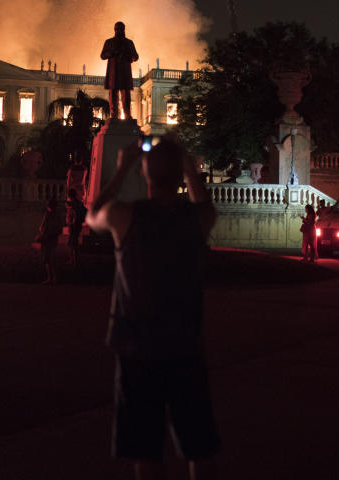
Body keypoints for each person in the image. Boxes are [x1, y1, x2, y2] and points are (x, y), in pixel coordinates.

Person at [86, 136, 220, 480]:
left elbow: (92, 214)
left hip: (137, 346)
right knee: (198, 444)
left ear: (144, 172)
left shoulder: (125, 216)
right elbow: (204, 204)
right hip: (185, 345)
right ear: (180, 176)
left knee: (145, 449)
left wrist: (120, 170)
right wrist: (190, 169)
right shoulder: (197, 220)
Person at [100, 21, 139, 122]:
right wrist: (113, 53)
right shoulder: (109, 42)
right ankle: (114, 114)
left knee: (126, 94)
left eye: (121, 29)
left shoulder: (129, 43)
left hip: (125, 72)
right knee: (113, 93)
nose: (120, 31)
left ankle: (127, 114)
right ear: (115, 30)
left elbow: (136, 56)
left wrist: (129, 56)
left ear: (124, 30)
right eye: (118, 29)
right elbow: (103, 55)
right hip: (114, 72)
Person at [36, 198, 64, 284]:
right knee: (52, 258)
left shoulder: (47, 215)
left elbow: (42, 227)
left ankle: (50, 277)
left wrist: (42, 232)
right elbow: (60, 228)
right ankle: (54, 278)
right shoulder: (58, 215)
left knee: (47, 259)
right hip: (53, 238)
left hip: (47, 238)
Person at [65, 189, 87, 269]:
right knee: (74, 243)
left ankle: (73, 261)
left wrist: (70, 222)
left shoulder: (72, 204)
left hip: (73, 225)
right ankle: (74, 261)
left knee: (72, 244)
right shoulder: (79, 203)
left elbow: (70, 208)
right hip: (78, 225)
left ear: (69, 196)